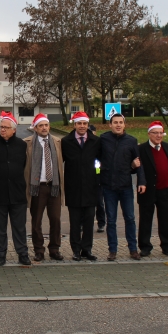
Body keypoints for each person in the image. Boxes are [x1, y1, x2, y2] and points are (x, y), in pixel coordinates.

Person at [0, 112, 31, 266]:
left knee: (19, 226)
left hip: (17, 193)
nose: (3, 129)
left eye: (6, 127)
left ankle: (22, 253)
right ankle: (1, 254)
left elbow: (24, 165)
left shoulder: (22, 145)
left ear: (14, 130)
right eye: (1, 127)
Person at [99, 113, 145, 261]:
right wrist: (98, 174)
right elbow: (96, 161)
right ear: (110, 125)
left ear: (125, 125)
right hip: (108, 186)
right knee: (111, 220)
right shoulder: (104, 139)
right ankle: (112, 250)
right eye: (115, 122)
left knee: (130, 218)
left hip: (125, 186)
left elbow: (137, 163)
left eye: (121, 122)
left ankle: (133, 249)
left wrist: (141, 181)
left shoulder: (131, 141)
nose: (118, 125)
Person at [24, 113, 65, 261]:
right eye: (40, 125)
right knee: (36, 221)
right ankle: (38, 250)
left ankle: (54, 249)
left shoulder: (57, 142)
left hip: (54, 186)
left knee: (55, 219)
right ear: (35, 128)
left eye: (46, 125)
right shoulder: (27, 143)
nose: (44, 128)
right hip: (37, 187)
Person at [61, 112, 101, 261]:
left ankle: (87, 249)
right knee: (75, 222)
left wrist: (97, 174)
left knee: (90, 221)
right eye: (79, 123)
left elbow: (99, 162)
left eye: (84, 123)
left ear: (87, 125)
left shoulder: (95, 141)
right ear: (75, 125)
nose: (82, 126)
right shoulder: (66, 141)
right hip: (74, 188)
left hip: (91, 187)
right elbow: (61, 162)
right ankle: (76, 250)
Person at [137, 121, 168, 257]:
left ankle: (166, 245)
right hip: (147, 189)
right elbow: (136, 167)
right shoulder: (142, 149)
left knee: (165, 219)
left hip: (165, 189)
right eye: (155, 133)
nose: (159, 135)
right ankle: (145, 246)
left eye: (161, 133)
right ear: (149, 134)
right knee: (146, 219)